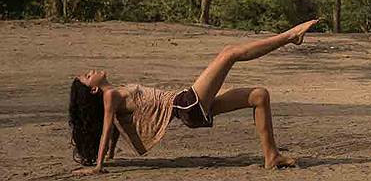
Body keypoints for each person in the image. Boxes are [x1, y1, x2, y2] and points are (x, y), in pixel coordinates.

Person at [68, 19, 319, 175]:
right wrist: (99, 165)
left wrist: (110, 155)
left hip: (191, 107)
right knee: (229, 53)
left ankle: (271, 156)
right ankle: (289, 36)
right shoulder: (110, 95)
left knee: (259, 96)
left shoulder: (116, 91)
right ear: (93, 90)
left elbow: (115, 128)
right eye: (87, 76)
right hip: (186, 103)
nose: (91, 71)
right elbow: (106, 128)